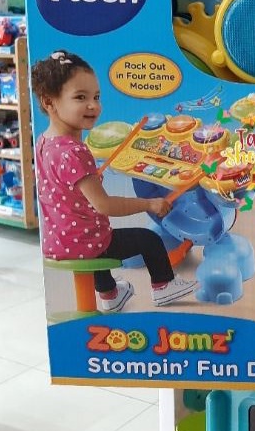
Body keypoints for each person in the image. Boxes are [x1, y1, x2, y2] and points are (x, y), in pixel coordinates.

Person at [30, 50, 197, 312]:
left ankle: (110, 294)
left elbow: (59, 187)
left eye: (96, 97)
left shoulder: (44, 142)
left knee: (90, 232)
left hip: (58, 241)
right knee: (147, 239)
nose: (93, 105)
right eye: (80, 97)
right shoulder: (75, 152)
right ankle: (163, 285)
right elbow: (105, 206)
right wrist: (149, 204)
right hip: (86, 243)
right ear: (49, 102)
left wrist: (89, 180)